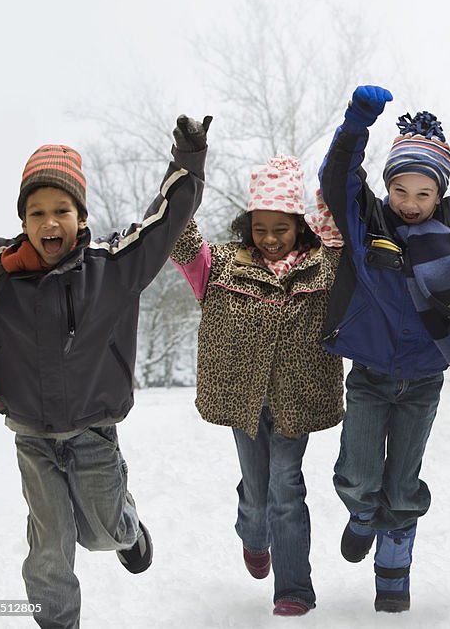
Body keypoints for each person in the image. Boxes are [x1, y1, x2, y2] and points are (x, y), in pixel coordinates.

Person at [0, 115, 210, 628]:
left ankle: (129, 529)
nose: (49, 222)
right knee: (50, 545)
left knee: (102, 531)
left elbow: (163, 222)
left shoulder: (112, 267)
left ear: (81, 216)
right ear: (24, 220)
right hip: (31, 435)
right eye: (36, 212)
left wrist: (188, 161)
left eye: (61, 210)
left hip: (93, 432)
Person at [317, 84, 450, 612]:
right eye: (401, 190)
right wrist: (357, 123)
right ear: (388, 187)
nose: (411, 204)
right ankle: (359, 514)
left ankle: (394, 576)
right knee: (359, 476)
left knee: (401, 487)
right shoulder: (369, 221)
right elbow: (337, 176)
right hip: (371, 373)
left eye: (424, 194)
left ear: (439, 194)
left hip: (424, 378)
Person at [170, 154, 343, 617]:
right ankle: (253, 533)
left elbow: (342, 233)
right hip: (241, 396)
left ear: (300, 225)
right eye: (260, 228)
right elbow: (179, 236)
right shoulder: (222, 265)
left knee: (286, 487)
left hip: (297, 397)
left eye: (281, 229)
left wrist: (335, 174)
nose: (269, 238)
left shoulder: (322, 267)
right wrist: (185, 167)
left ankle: (293, 589)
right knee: (256, 487)